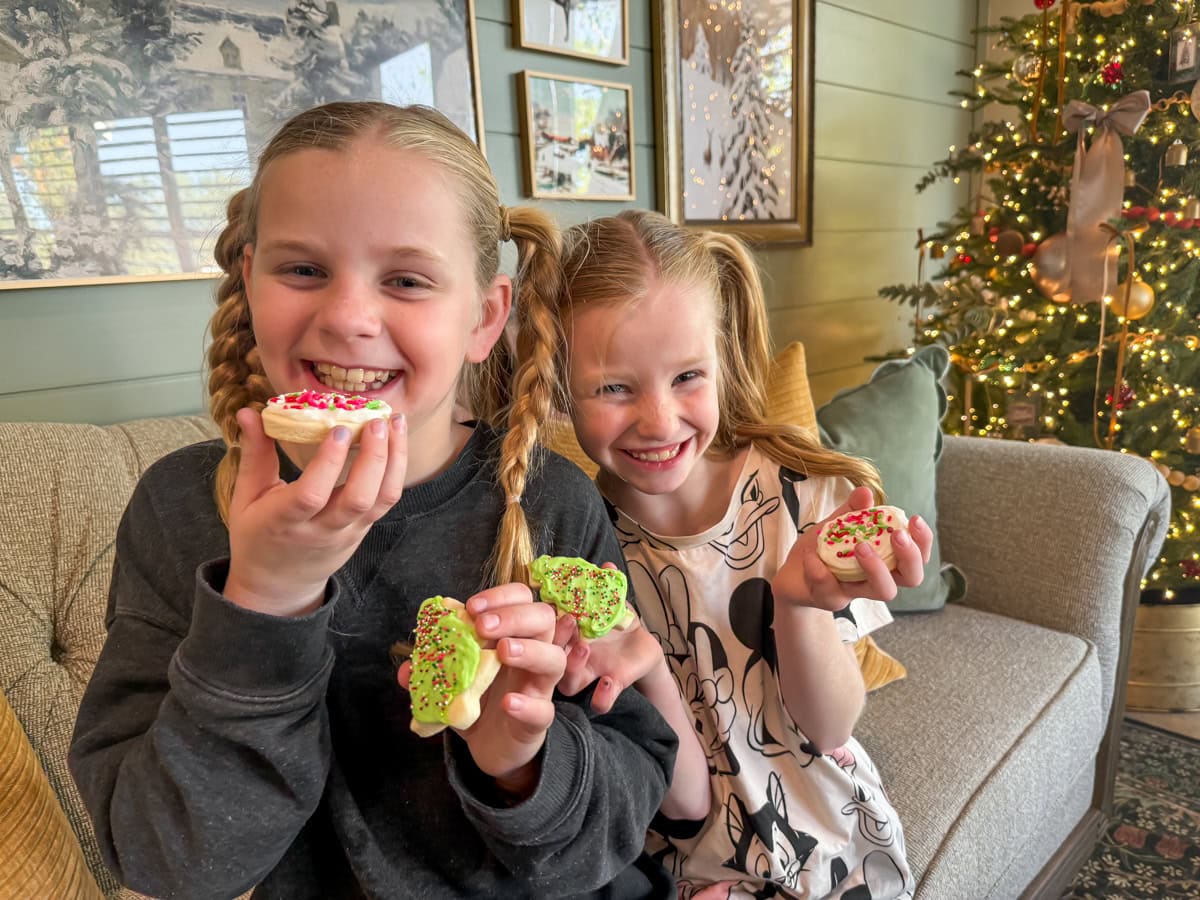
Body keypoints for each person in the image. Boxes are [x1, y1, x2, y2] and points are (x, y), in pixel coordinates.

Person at [68, 103, 684, 900]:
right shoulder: (181, 509)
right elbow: (169, 860)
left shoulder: (547, 505)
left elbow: (624, 811)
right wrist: (267, 601)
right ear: (250, 280)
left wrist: (523, 763)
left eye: (406, 280)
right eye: (302, 270)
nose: (350, 317)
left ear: (484, 317)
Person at [533, 210, 931, 899]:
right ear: (562, 390)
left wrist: (800, 603)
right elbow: (663, 787)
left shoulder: (807, 491)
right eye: (615, 387)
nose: (658, 421)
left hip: (837, 850)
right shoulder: (575, 543)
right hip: (682, 866)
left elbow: (831, 724)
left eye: (688, 376)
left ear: (723, 360)